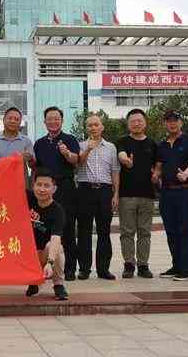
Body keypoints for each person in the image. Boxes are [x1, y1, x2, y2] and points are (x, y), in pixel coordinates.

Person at [33, 106, 80, 280]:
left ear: (62, 120)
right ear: (44, 121)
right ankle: (43, 267)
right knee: (43, 228)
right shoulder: (39, 143)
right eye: (49, 119)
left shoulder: (70, 139)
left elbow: (76, 160)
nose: (53, 121)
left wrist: (66, 152)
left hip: (65, 188)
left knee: (67, 229)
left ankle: (69, 270)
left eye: (56, 118)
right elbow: (35, 167)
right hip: (45, 190)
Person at [155, 110, 188, 281]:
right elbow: (158, 167)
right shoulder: (162, 145)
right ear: (165, 123)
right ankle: (176, 266)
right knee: (171, 231)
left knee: (185, 230)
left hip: (185, 191)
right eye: (169, 121)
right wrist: (155, 175)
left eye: (175, 120)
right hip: (166, 193)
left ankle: (187, 269)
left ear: (181, 122)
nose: (172, 123)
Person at [75, 114, 120, 280]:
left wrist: (116, 194)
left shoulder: (111, 147)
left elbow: (115, 171)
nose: (93, 128)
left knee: (104, 231)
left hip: (105, 191)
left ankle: (103, 269)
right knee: (84, 231)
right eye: (89, 125)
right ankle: (84, 269)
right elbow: (78, 163)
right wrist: (88, 148)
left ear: (102, 127)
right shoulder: (80, 145)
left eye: (96, 125)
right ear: (86, 129)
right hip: (85, 189)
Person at [115, 109, 158, 279]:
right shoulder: (122, 142)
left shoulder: (153, 144)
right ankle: (128, 264)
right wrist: (125, 160)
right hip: (127, 195)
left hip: (147, 195)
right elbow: (121, 155)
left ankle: (143, 265)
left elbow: (158, 166)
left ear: (145, 123)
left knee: (145, 232)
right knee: (126, 232)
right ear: (128, 124)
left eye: (139, 120)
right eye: (133, 121)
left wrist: (157, 175)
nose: (136, 124)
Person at [25, 167, 69, 300]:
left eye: (46, 185)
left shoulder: (58, 211)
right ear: (33, 186)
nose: (42, 189)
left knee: (56, 247)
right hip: (28, 255)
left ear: (54, 189)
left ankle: (58, 285)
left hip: (45, 254)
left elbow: (56, 239)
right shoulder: (27, 198)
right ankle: (34, 281)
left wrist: (49, 262)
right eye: (38, 184)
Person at [0, 107, 36, 185]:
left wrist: (30, 159)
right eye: (10, 118)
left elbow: (33, 166)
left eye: (16, 119)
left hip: (20, 184)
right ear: (4, 120)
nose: (13, 121)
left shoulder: (26, 141)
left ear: (20, 122)